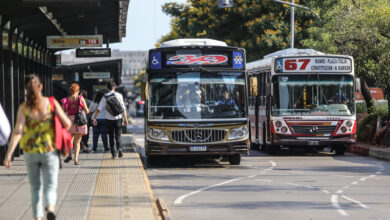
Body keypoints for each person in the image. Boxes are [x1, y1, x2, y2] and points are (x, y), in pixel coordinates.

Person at [3, 74, 71, 220]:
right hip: (49, 150)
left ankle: (37, 217)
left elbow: (18, 132)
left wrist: (9, 155)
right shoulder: (51, 103)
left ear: (26, 90)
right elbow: (67, 123)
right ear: (41, 87)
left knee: (35, 187)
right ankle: (50, 207)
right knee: (51, 184)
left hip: (30, 151)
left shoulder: (24, 108)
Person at [93, 81, 128, 159]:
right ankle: (119, 148)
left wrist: (94, 118)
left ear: (107, 87)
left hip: (109, 119)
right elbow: (123, 108)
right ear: (114, 86)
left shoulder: (105, 97)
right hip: (118, 118)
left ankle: (114, 154)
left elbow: (99, 109)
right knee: (118, 135)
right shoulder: (119, 95)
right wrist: (125, 119)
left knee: (111, 136)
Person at [61, 83, 90, 165]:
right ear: (77, 90)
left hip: (69, 121)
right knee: (77, 141)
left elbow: (62, 112)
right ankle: (76, 159)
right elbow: (87, 111)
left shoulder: (65, 100)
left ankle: (70, 154)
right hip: (79, 121)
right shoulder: (81, 98)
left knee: (70, 140)